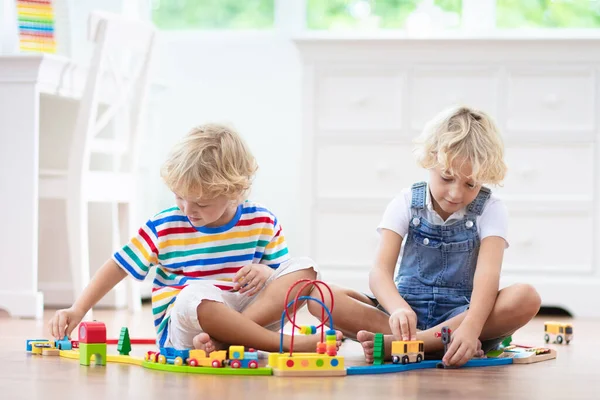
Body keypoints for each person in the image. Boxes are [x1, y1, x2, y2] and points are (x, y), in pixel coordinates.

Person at [49, 123, 341, 353]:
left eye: (201, 203)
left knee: (306, 268)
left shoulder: (262, 220)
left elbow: (281, 279)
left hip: (245, 313)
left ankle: (228, 341)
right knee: (191, 295)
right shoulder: (164, 225)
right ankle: (280, 345)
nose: (188, 210)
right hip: (190, 326)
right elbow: (118, 265)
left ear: (235, 192)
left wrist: (265, 272)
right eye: (179, 198)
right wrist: (78, 309)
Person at [308, 106, 541, 367]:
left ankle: (415, 345)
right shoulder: (406, 201)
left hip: (462, 318)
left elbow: (487, 277)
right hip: (404, 316)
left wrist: (472, 326)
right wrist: (398, 308)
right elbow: (380, 272)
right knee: (319, 295)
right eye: (447, 178)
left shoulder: (491, 208)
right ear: (430, 161)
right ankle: (431, 343)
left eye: (470, 184)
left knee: (526, 296)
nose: (455, 193)